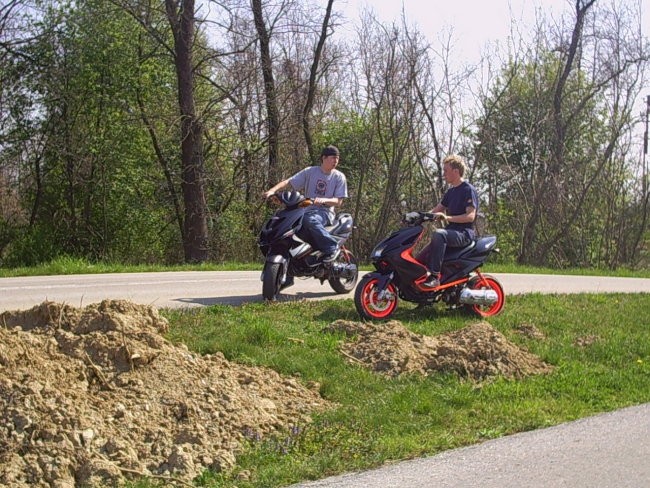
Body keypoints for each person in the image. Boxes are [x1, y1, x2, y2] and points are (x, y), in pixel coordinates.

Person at [262, 145, 348, 263]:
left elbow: (338, 201)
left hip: (325, 212)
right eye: (333, 158)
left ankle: (331, 248)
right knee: (285, 222)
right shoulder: (310, 171)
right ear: (324, 158)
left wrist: (324, 200)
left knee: (308, 220)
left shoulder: (339, 177)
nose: (336, 161)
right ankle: (289, 266)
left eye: (337, 158)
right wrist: (272, 191)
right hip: (304, 209)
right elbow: (288, 182)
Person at [423, 154, 479, 288]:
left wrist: (447, 218)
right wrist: (419, 217)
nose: (444, 174)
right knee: (422, 255)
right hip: (451, 232)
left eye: (446, 171)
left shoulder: (468, 190)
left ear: (456, 171)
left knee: (439, 234)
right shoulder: (450, 192)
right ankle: (422, 292)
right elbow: (436, 210)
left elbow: (470, 216)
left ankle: (435, 277)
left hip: (464, 233)